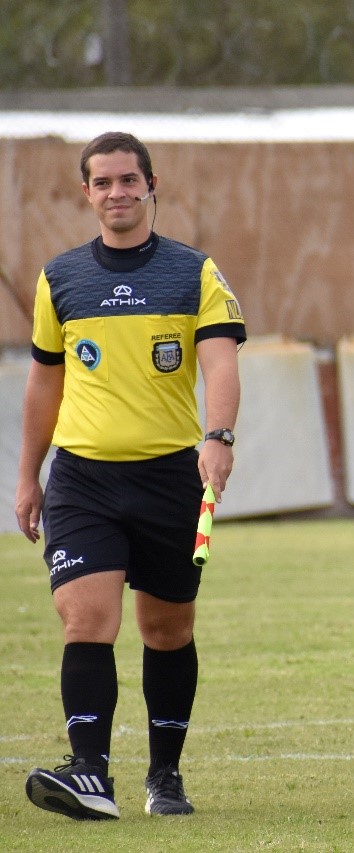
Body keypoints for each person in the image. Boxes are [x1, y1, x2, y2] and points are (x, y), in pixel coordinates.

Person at [15, 131, 245, 820]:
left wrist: (219, 435)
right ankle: (89, 773)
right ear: (86, 193)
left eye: (127, 180)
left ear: (151, 187)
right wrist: (28, 476)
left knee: (167, 628)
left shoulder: (195, 272)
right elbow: (42, 386)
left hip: (170, 476)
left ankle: (165, 776)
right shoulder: (59, 279)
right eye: (102, 182)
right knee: (85, 616)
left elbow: (222, 364)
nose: (116, 192)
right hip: (82, 479)